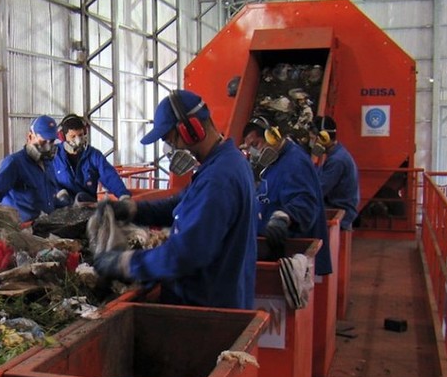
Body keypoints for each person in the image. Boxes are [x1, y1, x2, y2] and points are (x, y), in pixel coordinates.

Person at [92, 90, 257, 309]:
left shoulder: (219, 179)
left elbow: (186, 255)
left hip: (207, 312)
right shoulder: (223, 163)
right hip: (218, 298)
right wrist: (132, 209)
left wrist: (125, 263)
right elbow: (182, 203)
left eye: (169, 139)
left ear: (191, 130)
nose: (169, 150)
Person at [242, 115, 332, 275]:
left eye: (255, 144)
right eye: (249, 148)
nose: (253, 152)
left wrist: (284, 216)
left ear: (273, 137)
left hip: (289, 252)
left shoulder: (294, 162)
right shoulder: (275, 161)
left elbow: (305, 202)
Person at [0, 115, 61, 222]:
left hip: (43, 226)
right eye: (44, 141)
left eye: (51, 141)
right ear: (30, 136)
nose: (48, 146)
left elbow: (50, 198)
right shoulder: (15, 163)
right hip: (21, 230)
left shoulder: (48, 164)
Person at [52, 113, 130, 204]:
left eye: (80, 135)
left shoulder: (94, 156)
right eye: (73, 136)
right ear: (62, 137)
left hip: (87, 205)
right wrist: (58, 191)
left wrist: (124, 196)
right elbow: (44, 179)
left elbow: (109, 176)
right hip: (61, 208)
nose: (78, 140)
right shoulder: (54, 155)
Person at [310, 115, 360, 230]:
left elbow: (319, 190)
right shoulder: (336, 153)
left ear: (324, 138)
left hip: (340, 211)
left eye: (313, 139)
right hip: (335, 205)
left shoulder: (337, 161)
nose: (312, 142)